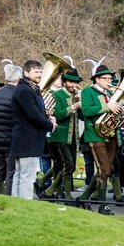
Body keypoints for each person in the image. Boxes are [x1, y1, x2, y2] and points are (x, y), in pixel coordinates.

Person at [77, 60, 124, 210]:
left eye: (110, 79)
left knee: (106, 170)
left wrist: (120, 109)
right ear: (97, 79)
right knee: (104, 170)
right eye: (106, 79)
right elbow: (86, 111)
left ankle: (84, 198)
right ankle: (102, 206)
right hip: (95, 136)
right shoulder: (87, 91)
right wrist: (107, 106)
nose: (109, 81)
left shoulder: (110, 93)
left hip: (110, 136)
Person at [10, 59, 54, 199]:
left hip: (24, 138)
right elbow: (32, 114)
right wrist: (50, 124)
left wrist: (45, 115)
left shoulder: (27, 88)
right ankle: (24, 206)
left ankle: (17, 205)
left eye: (41, 71)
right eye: (36, 72)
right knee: (27, 177)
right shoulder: (25, 89)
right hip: (27, 139)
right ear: (26, 72)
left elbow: (32, 111)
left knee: (20, 174)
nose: (40, 74)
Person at [38, 69, 81, 199]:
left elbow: (83, 117)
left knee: (66, 166)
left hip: (72, 137)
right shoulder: (56, 95)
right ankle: (61, 193)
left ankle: (43, 184)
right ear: (64, 82)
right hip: (59, 136)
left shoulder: (75, 96)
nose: (74, 84)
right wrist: (73, 107)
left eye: (76, 82)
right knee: (68, 165)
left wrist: (80, 103)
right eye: (71, 81)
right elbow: (56, 115)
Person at [0, 63, 21, 195]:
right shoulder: (17, 95)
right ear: (18, 79)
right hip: (11, 138)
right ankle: (9, 199)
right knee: (11, 172)